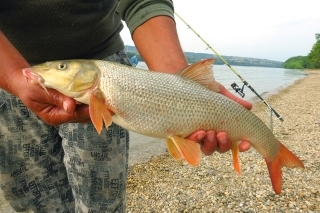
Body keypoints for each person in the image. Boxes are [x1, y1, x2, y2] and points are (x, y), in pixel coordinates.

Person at [0, 1, 252, 212]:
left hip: (111, 75)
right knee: (34, 201)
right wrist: (11, 76)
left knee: (102, 200)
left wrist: (176, 81)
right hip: (6, 69)